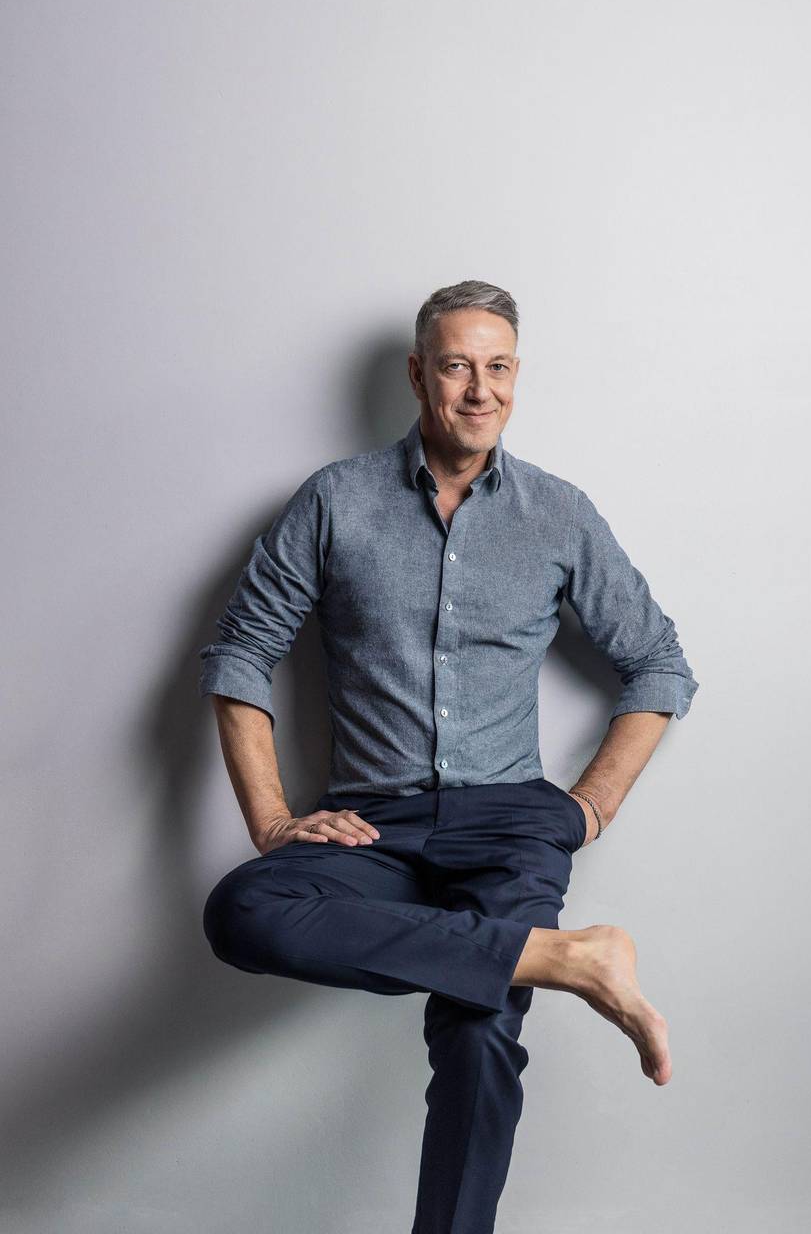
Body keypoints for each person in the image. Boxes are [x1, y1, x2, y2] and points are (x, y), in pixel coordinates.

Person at [198, 278, 699, 1234]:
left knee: (479, 1033)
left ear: (516, 375)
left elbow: (659, 664)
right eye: (458, 366)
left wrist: (589, 805)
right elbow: (241, 652)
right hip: (371, 827)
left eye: (498, 367)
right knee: (244, 911)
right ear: (417, 374)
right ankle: (564, 956)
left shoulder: (558, 514)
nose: (480, 389)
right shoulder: (336, 499)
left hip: (509, 824)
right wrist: (272, 820)